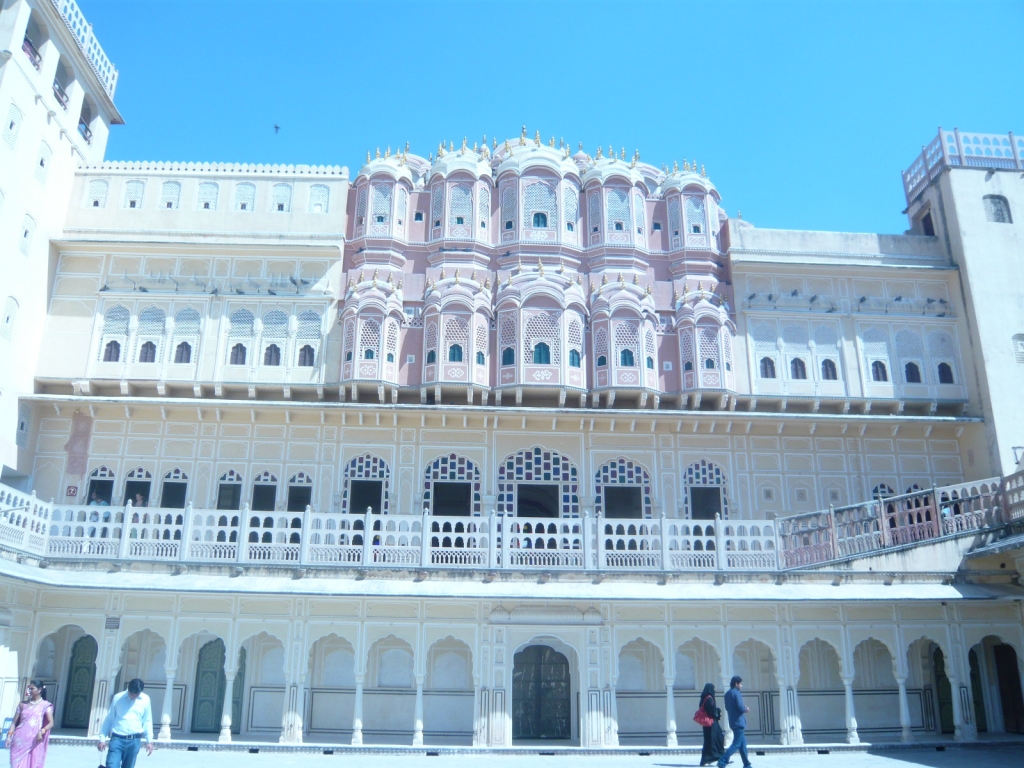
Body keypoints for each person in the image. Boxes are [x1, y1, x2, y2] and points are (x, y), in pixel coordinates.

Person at [97, 678, 154, 768]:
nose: (133, 697)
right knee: (111, 765)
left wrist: (149, 741)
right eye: (131, 694)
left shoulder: (146, 700)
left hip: (134, 741)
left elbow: (147, 720)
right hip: (117, 739)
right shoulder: (118, 698)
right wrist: (102, 738)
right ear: (128, 689)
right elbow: (109, 718)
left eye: (136, 695)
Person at [4, 680, 53, 768]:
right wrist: (8, 736)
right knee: (15, 764)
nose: (29, 691)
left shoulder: (45, 705)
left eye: (32, 689)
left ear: (40, 690)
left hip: (34, 740)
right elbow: (14, 723)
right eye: (29, 689)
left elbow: (51, 723)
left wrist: (41, 731)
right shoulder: (22, 704)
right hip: (18, 739)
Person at [717, 675, 752, 768]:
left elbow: (727, 708)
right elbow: (740, 707)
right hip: (739, 722)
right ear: (736, 684)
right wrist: (746, 709)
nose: (741, 686)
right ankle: (722, 760)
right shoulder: (736, 693)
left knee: (742, 745)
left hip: (732, 721)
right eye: (740, 684)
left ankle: (747, 764)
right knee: (736, 744)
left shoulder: (727, 694)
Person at [698, 682, 725, 767]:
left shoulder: (704, 698)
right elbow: (711, 711)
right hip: (711, 724)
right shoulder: (709, 699)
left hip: (707, 725)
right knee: (716, 739)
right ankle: (721, 758)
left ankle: (706, 759)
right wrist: (717, 711)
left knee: (708, 742)